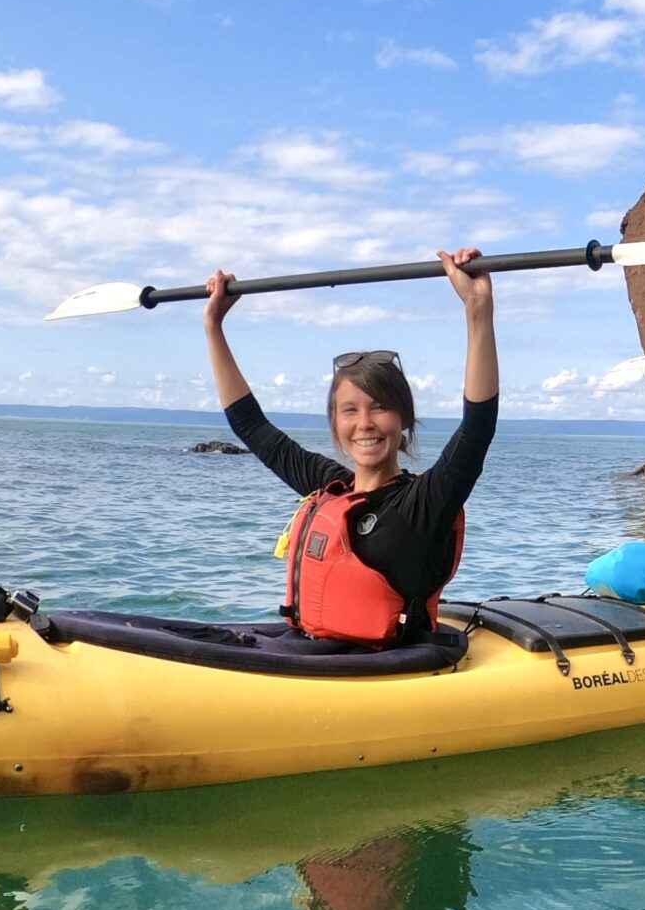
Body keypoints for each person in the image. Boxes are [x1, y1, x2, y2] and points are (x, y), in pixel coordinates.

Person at [201, 249, 497, 649]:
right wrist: (214, 326)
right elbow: (251, 426)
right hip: (310, 649)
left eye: (380, 407)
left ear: (404, 419)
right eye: (350, 411)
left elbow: (477, 429)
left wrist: (478, 309)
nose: (365, 424)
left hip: (382, 669)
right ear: (336, 424)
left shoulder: (424, 503)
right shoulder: (332, 486)